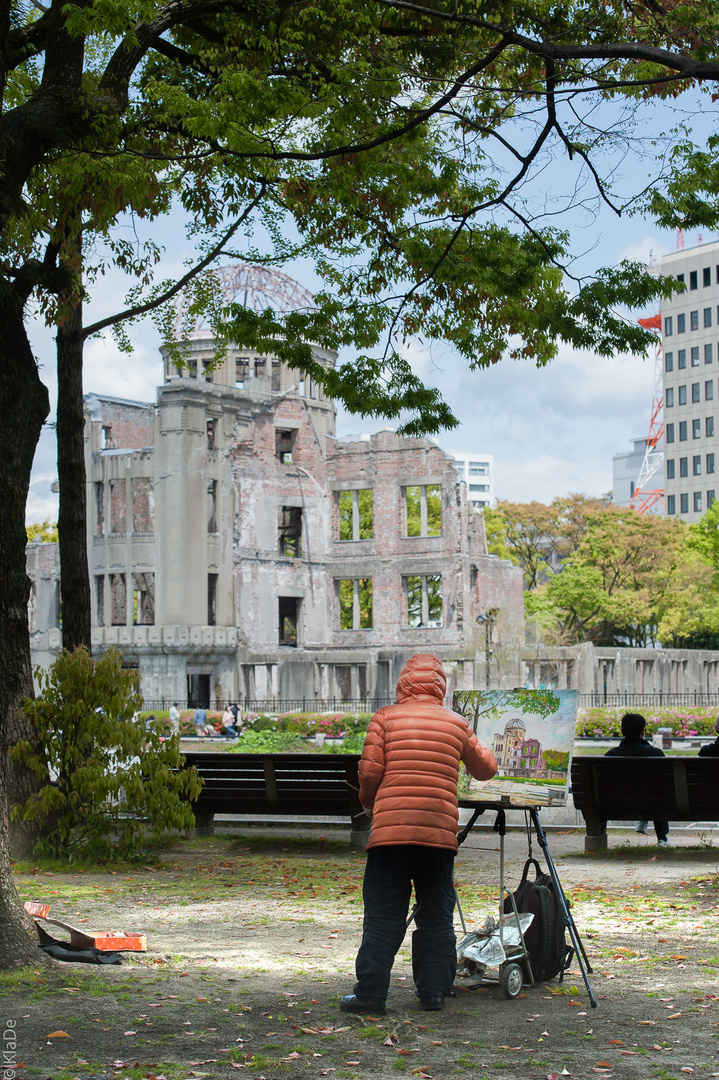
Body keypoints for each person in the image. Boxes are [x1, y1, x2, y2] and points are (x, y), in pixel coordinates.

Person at [340, 653, 497, 1016]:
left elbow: (369, 772)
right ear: (440, 685)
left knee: (382, 914)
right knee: (436, 914)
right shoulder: (456, 723)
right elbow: (485, 768)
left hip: (390, 835)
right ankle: (433, 992)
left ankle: (371, 994)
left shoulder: (385, 717)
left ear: (404, 683)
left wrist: (370, 804)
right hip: (438, 835)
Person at [605, 712, 670, 847]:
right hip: (653, 803)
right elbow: (665, 784)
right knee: (657, 794)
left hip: (617, 803)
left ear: (622, 731)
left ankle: (643, 819)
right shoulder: (656, 754)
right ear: (643, 732)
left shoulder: (611, 755)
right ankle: (662, 838)